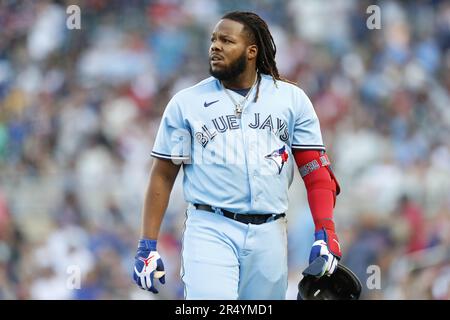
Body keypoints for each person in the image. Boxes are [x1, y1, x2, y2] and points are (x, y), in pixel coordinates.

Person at [132, 11, 342, 300]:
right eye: (213, 40)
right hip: (210, 227)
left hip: (271, 231)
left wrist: (326, 231)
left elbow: (317, 174)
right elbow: (164, 175)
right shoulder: (186, 104)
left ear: (251, 51)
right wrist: (147, 244)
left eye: (227, 40)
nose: (215, 46)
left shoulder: (291, 99)